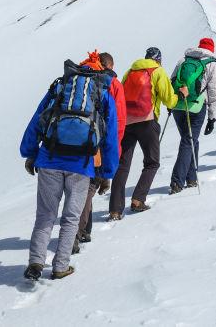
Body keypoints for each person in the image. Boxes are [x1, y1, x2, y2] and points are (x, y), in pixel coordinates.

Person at [20, 57, 120, 281]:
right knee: (71, 218)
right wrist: (106, 172)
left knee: (45, 215)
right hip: (81, 164)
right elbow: (111, 136)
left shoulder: (60, 87)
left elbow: (38, 119)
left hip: (49, 158)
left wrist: (30, 153)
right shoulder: (102, 93)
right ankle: (60, 266)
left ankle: (36, 262)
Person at [108, 47, 186, 220]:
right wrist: (180, 96)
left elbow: (120, 96)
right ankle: (138, 200)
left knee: (122, 165)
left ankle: (115, 210)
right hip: (147, 121)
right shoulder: (158, 71)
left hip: (127, 122)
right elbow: (168, 99)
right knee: (152, 162)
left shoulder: (130, 71)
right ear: (158, 59)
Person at [73, 51, 125, 254]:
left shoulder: (79, 79)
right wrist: (111, 161)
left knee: (83, 187)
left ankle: (85, 230)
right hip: (98, 146)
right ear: (110, 66)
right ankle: (75, 233)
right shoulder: (112, 84)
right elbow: (117, 125)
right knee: (87, 189)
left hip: (73, 140)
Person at [168, 38, 216, 194]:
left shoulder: (184, 59)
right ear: (211, 49)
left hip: (178, 105)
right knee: (188, 140)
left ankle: (191, 178)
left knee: (191, 140)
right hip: (196, 106)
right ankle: (177, 182)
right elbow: (214, 92)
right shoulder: (212, 63)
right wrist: (212, 117)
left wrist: (171, 104)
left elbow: (172, 80)